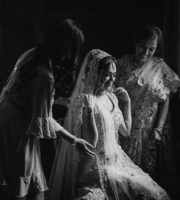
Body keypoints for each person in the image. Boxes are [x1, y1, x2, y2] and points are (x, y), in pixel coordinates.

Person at [0, 19, 95, 200]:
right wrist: (74, 140)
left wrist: (54, 101)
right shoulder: (45, 76)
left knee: (20, 172)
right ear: (67, 48)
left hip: (3, 112)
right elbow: (45, 121)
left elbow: (27, 92)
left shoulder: (32, 54)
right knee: (23, 172)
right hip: (17, 122)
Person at [47, 49, 170, 200]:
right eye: (107, 74)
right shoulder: (85, 101)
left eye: (114, 74)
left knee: (158, 194)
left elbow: (125, 131)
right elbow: (90, 144)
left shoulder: (112, 97)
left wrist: (126, 104)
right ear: (94, 74)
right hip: (95, 166)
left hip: (118, 162)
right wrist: (90, 112)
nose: (112, 79)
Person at [116, 25, 180, 178]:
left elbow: (165, 100)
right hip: (123, 127)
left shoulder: (160, 67)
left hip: (148, 133)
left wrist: (158, 129)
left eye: (151, 49)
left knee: (146, 176)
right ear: (135, 43)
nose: (146, 52)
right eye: (142, 47)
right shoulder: (121, 64)